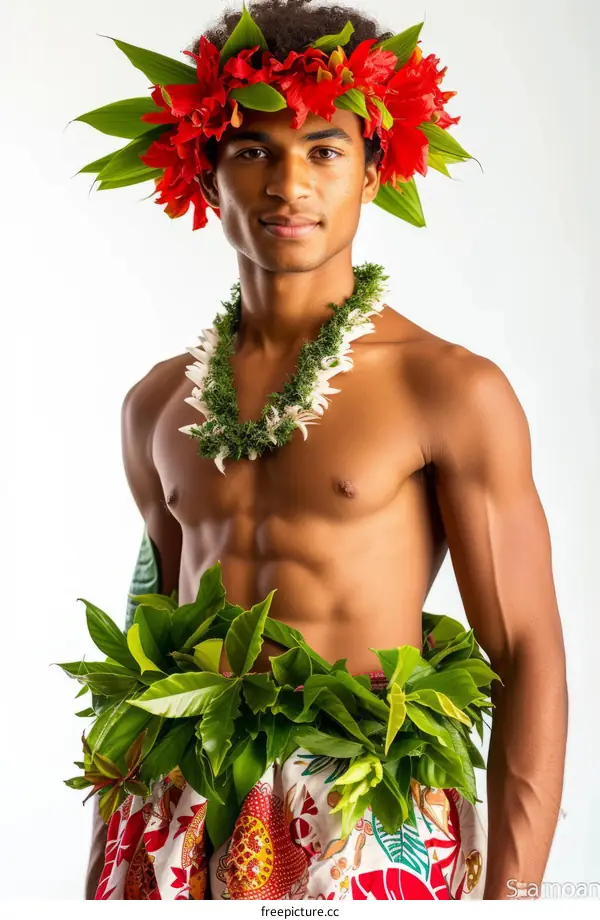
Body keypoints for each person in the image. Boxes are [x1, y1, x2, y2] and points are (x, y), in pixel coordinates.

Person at [81, 0, 567, 900]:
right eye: (253, 150)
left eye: (324, 151)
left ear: (375, 170)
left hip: (364, 803)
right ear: (207, 172)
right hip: (183, 804)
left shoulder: (448, 388)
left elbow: (529, 648)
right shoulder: (156, 402)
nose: (288, 185)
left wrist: (520, 901)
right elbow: (159, 617)